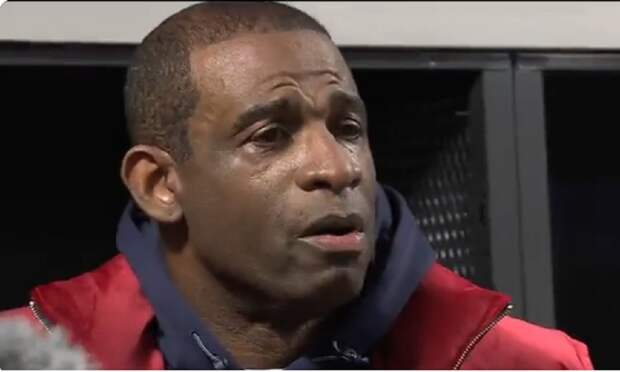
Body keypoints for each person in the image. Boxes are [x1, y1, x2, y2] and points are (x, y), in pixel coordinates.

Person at [1, 2, 593, 369]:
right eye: (270, 135)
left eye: (348, 127)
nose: (337, 169)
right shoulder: (26, 359)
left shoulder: (524, 364)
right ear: (159, 184)